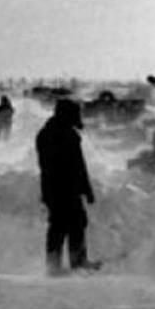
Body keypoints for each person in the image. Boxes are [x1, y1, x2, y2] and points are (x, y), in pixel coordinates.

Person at [35, 99, 100, 275]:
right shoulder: (63, 135)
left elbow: (77, 165)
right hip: (64, 189)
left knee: (63, 225)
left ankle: (57, 264)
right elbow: (77, 166)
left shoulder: (47, 133)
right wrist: (86, 189)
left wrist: (85, 189)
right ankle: (74, 263)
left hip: (54, 188)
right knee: (69, 224)